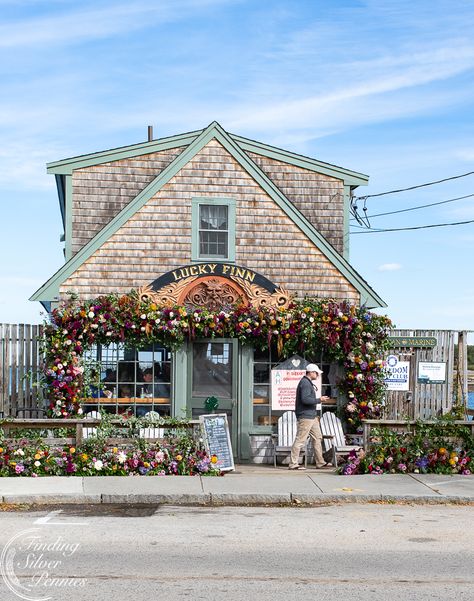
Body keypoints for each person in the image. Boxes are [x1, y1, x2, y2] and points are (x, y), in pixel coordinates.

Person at [288, 363, 331, 470]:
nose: (318, 375)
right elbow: (305, 399)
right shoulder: (305, 383)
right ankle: (293, 464)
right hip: (306, 416)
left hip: (311, 416)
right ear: (311, 372)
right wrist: (319, 400)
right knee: (300, 440)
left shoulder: (307, 382)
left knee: (317, 438)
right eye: (317, 373)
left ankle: (320, 462)